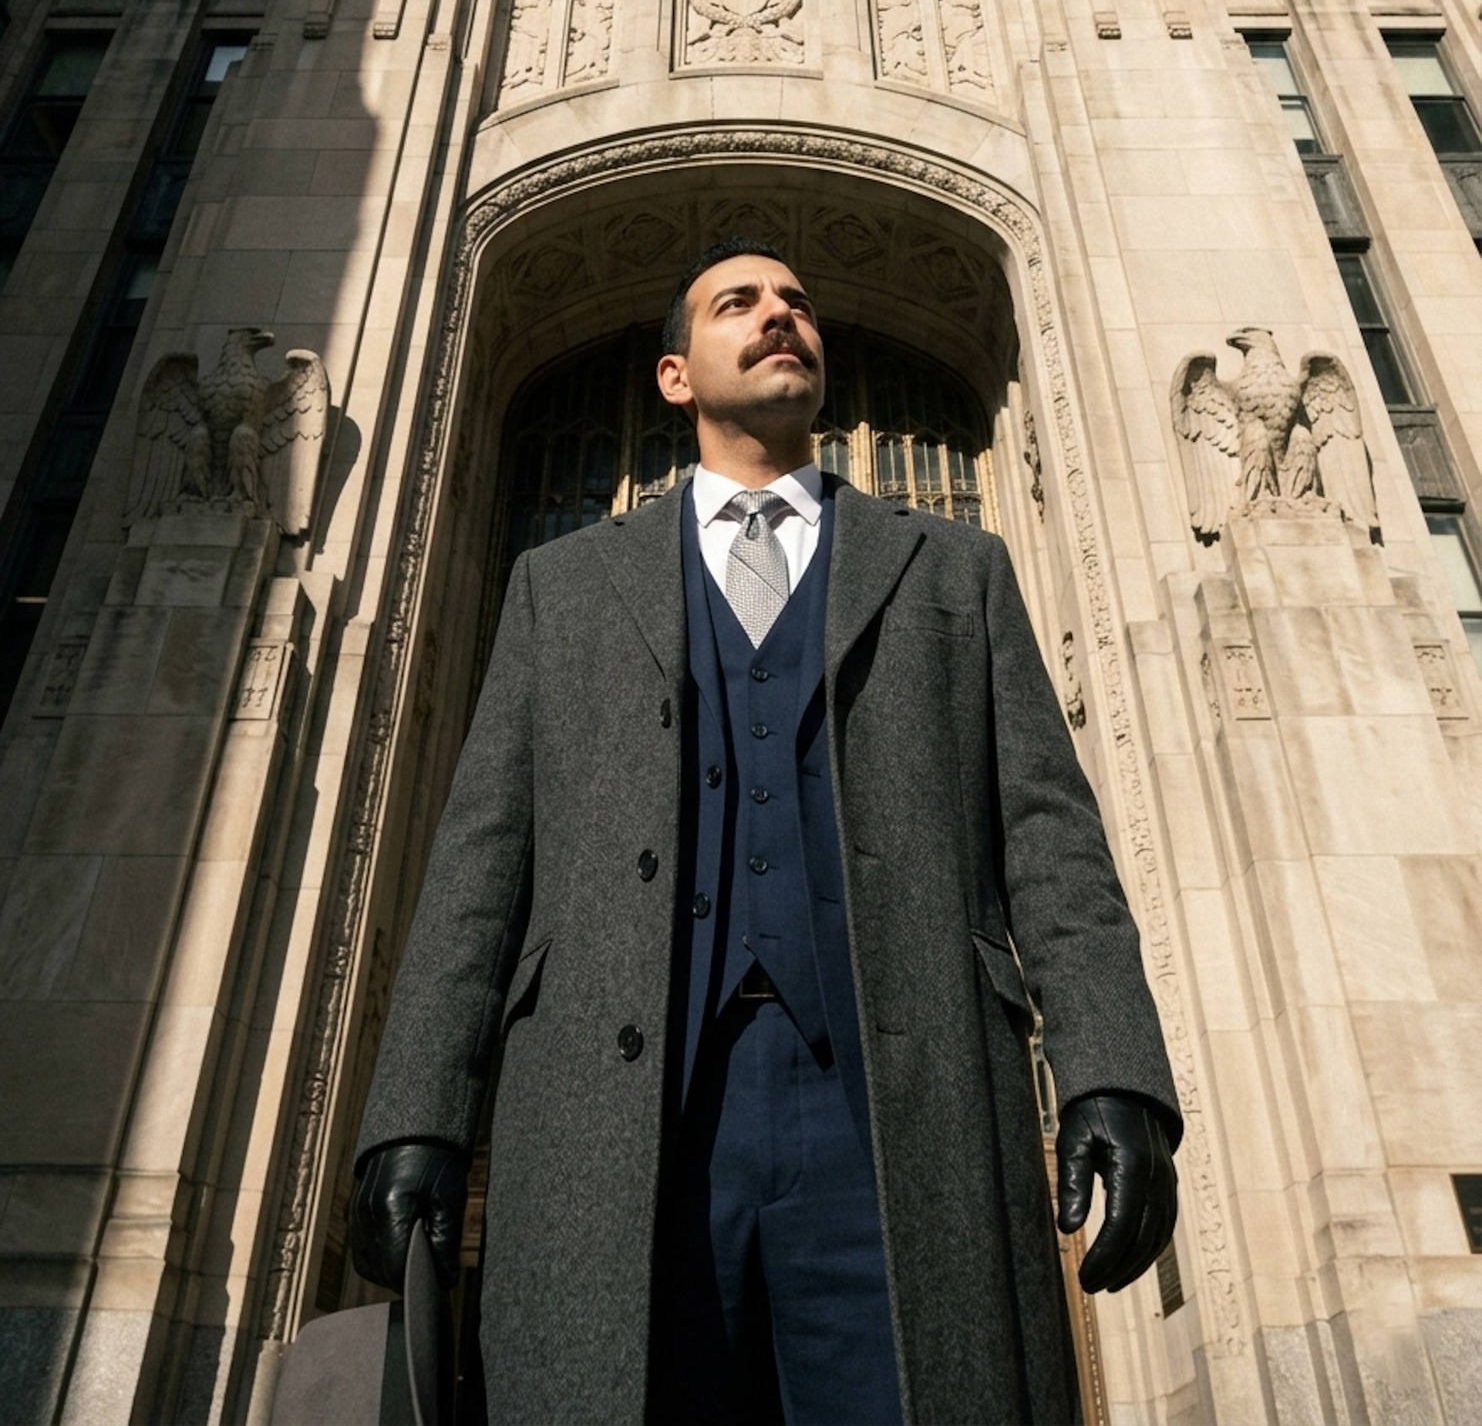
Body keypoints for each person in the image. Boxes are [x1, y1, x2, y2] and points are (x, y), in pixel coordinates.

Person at [349, 238, 1180, 1425]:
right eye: (738, 303)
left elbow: (1049, 836)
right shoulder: (563, 584)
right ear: (677, 374)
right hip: (616, 1126)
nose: (780, 315)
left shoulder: (956, 569)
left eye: (797, 301)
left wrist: (1113, 1066)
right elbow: (483, 863)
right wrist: (420, 1109)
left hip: (903, 1113)